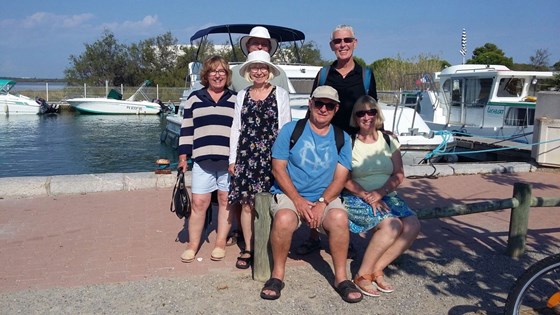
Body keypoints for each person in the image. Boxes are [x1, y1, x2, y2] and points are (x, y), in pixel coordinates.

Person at [260, 86, 363, 303]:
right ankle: (277, 275)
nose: (323, 109)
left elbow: (340, 178)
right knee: (284, 218)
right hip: (291, 193)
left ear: (336, 109)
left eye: (330, 105)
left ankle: (341, 277)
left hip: (325, 196)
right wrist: (297, 200)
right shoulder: (290, 130)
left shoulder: (341, 137)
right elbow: (278, 168)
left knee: (339, 218)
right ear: (310, 104)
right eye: (319, 103)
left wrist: (322, 202)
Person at [297, 24, 379, 256]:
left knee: (348, 189)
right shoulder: (324, 74)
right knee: (319, 185)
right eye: (337, 41)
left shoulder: (366, 75)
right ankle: (314, 235)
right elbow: (312, 108)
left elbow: (371, 110)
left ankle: (345, 237)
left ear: (355, 42)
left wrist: (380, 134)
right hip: (323, 139)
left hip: (352, 141)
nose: (342, 45)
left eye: (347, 40)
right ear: (332, 45)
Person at [344, 95, 420, 297]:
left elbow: (399, 173)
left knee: (412, 224)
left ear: (377, 114)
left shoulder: (389, 140)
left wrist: (381, 192)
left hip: (386, 194)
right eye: (361, 113)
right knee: (391, 225)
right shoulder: (349, 142)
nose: (366, 116)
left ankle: (376, 269)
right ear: (355, 117)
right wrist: (367, 195)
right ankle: (361, 274)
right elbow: (344, 178)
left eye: (371, 111)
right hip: (358, 196)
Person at [228, 50, 291, 269]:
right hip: (246, 156)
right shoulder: (241, 95)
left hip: (270, 158)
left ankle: (268, 246)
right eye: (254, 67)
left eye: (263, 67)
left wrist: (282, 161)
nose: (259, 71)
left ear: (269, 71)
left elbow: (285, 129)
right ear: (249, 71)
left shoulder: (280, 94)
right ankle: (248, 247)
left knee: (268, 205)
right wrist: (232, 159)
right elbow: (236, 128)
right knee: (246, 205)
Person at [177, 56, 236, 263]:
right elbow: (186, 129)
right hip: (202, 161)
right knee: (199, 203)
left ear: (227, 75)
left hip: (228, 163)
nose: (217, 75)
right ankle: (193, 245)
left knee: (225, 201)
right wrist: (183, 157)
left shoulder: (236, 99)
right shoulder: (194, 98)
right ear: (206, 75)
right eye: (213, 71)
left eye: (222, 71)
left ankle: (220, 242)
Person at [231, 26, 290, 92]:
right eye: (255, 43)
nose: (259, 47)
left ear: (269, 48)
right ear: (248, 46)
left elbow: (286, 98)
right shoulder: (234, 73)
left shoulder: (280, 74)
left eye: (264, 44)